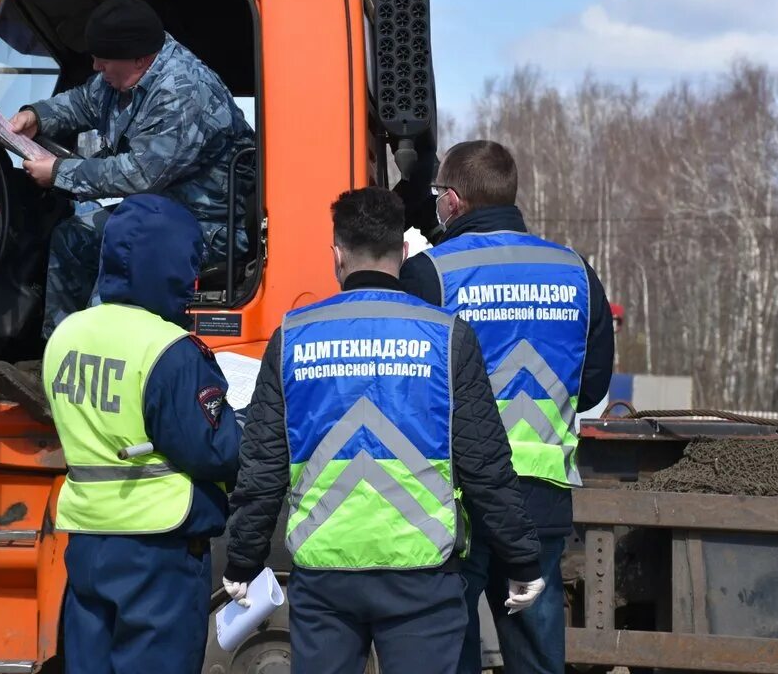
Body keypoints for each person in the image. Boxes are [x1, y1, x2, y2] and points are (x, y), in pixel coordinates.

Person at [223, 187, 544, 674]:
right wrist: (521, 559)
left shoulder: (291, 337)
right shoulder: (448, 336)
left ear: (336, 255)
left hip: (324, 574)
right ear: (406, 251)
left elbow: (262, 467)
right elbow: (485, 465)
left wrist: (243, 559)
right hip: (421, 573)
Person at [400, 140, 615, 674]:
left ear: (452, 201)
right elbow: (590, 389)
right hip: (541, 497)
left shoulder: (430, 274)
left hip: (457, 498)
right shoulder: (576, 271)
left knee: (450, 647)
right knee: (538, 655)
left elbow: (411, 393)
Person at [0, 0, 254, 414]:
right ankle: (55, 363)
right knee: (73, 237)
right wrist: (36, 116)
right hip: (165, 213)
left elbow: (139, 174)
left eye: (103, 59)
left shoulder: (181, 92)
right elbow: (82, 102)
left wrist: (57, 172)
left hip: (210, 225)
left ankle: (91, 389)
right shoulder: (126, 73)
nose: (96, 67)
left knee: (120, 252)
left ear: (138, 58)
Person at [43, 194, 241, 674]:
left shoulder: (66, 334)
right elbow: (214, 451)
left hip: (88, 546)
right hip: (158, 554)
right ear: (173, 266)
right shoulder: (168, 348)